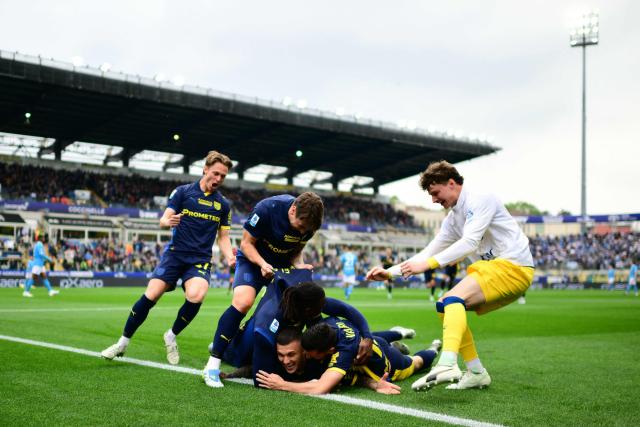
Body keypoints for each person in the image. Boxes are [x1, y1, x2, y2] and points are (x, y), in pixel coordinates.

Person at [366, 160, 534, 391]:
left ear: (452, 183)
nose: (434, 200)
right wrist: (390, 272)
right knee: (445, 305)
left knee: (452, 299)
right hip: (498, 271)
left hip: (514, 267)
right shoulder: (454, 219)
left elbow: (469, 242)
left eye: (435, 193)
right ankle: (476, 372)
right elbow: (429, 250)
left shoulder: (481, 198)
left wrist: (427, 265)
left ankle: (447, 363)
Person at [101, 151, 235, 365]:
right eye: (216, 173)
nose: (219, 179)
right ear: (205, 169)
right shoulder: (183, 192)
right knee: (151, 295)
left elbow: (224, 237)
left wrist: (229, 256)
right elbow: (164, 219)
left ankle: (171, 335)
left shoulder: (223, 205)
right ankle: (122, 343)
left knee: (197, 295)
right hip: (175, 255)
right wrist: (168, 220)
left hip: (199, 259)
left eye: (223, 176)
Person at [204, 192, 324, 387]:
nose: (303, 232)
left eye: (307, 230)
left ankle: (239, 349)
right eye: (301, 226)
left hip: (283, 266)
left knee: (292, 306)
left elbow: (296, 251)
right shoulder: (267, 208)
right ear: (293, 209)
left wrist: (300, 265)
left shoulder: (309, 225)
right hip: (253, 260)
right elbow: (246, 243)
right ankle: (213, 364)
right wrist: (262, 263)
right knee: (243, 302)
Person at [256, 317, 440, 395]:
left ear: (330, 351)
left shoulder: (343, 355)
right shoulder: (326, 325)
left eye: (311, 355)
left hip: (389, 362)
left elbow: (320, 388)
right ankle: (397, 333)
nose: (308, 356)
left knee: (416, 363)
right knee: (373, 337)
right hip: (370, 341)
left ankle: (434, 348)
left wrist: (281, 385)